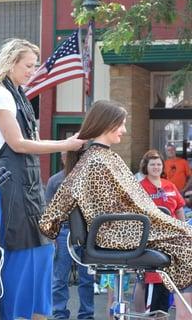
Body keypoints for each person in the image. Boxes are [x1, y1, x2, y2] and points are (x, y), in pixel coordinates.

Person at [39, 100, 192, 319]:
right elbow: (58, 205)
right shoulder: (93, 161)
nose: (125, 130)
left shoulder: (105, 157)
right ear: (107, 124)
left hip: (128, 229)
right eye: (121, 124)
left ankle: (185, 314)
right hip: (115, 235)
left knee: (186, 241)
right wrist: (48, 229)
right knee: (187, 240)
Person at [0, 38, 85, 320]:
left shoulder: (20, 97)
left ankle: (39, 314)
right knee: (20, 254)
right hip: (11, 185)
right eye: (28, 65)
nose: (32, 70)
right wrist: (66, 145)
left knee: (41, 253)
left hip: (28, 184)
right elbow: (17, 144)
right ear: (11, 62)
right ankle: (14, 315)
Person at [134, 149, 186, 316]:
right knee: (151, 279)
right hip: (151, 240)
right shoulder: (140, 187)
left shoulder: (169, 185)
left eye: (158, 164)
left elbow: (179, 209)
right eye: (152, 164)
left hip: (170, 240)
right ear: (146, 166)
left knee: (167, 278)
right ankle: (152, 314)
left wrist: (183, 229)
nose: (156, 167)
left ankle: (161, 314)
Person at [45, 152, 94, 320]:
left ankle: (87, 315)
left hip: (86, 232)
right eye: (66, 155)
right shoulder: (55, 180)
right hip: (63, 231)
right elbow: (49, 211)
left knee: (87, 278)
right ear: (62, 158)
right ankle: (59, 315)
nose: (70, 158)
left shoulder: (89, 179)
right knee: (59, 278)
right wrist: (52, 237)